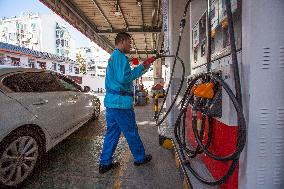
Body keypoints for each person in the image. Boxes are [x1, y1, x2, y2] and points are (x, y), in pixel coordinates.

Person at [99, 32, 156, 174]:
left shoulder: (114, 57)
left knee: (112, 132)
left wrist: (143, 66)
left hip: (112, 103)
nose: (130, 45)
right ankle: (140, 158)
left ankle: (105, 163)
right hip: (120, 104)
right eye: (129, 43)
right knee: (131, 131)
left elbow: (122, 77)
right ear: (123, 41)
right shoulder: (119, 57)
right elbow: (125, 78)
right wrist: (142, 67)